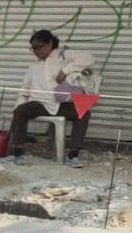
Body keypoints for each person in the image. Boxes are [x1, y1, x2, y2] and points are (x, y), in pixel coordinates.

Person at [9, 29, 97, 167]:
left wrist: (65, 71)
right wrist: (17, 109)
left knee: (84, 113)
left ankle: (73, 155)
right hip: (39, 104)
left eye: (39, 46)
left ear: (49, 43)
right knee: (20, 111)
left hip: (60, 104)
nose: (36, 51)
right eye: (33, 48)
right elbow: (24, 90)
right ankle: (17, 153)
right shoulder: (33, 66)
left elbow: (89, 58)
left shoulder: (63, 56)